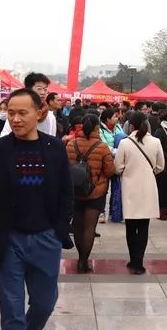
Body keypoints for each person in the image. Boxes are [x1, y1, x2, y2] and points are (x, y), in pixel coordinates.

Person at [0, 88, 74, 329]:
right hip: (8, 240)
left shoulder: (55, 148)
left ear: (39, 113)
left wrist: (59, 230)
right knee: (12, 310)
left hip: (46, 239)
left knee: (44, 304)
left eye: (22, 113)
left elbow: (66, 193)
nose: (15, 119)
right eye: (10, 113)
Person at [113, 111, 165, 274]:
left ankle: (133, 260)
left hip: (130, 187)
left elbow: (117, 167)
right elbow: (160, 166)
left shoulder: (124, 143)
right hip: (148, 187)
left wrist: (127, 171)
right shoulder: (155, 142)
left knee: (131, 226)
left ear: (131, 125)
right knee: (144, 226)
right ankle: (139, 262)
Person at [66, 113, 114, 272]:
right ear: (96, 128)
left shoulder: (71, 144)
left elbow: (65, 167)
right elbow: (109, 171)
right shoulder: (102, 147)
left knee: (78, 226)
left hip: (75, 192)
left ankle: (80, 258)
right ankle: (83, 261)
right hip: (95, 192)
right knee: (89, 228)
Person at [1, 72, 57, 137]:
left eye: (45, 89)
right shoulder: (16, 114)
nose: (43, 93)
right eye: (39, 89)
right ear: (29, 90)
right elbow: (5, 136)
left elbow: (51, 139)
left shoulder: (50, 117)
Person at [98, 107, 124, 223]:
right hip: (104, 162)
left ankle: (114, 212)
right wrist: (116, 151)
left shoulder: (118, 127)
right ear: (108, 119)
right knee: (103, 189)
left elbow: (124, 140)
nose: (117, 118)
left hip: (116, 162)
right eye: (115, 116)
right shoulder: (100, 130)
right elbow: (103, 145)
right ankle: (101, 212)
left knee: (116, 188)